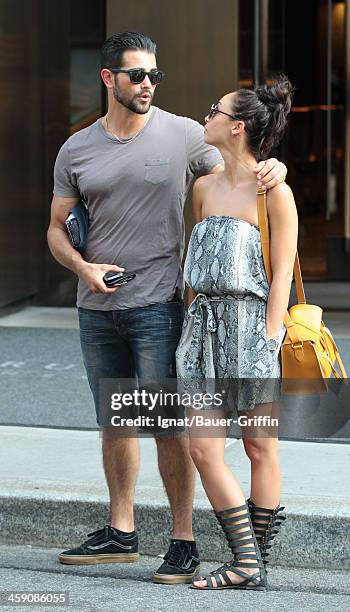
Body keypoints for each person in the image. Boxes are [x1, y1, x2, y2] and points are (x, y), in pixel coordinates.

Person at [47, 31, 288, 585]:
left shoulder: (183, 135)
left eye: (155, 74)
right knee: (117, 421)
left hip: (160, 306)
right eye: (137, 75)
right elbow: (57, 229)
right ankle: (121, 531)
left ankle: (184, 542)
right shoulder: (76, 148)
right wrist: (81, 269)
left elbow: (244, 162)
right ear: (109, 79)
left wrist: (277, 170)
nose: (149, 83)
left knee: (168, 428)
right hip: (96, 306)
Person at [175, 76, 297, 591]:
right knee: (203, 448)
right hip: (200, 331)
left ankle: (252, 562)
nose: (207, 117)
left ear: (237, 126)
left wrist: (267, 341)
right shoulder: (202, 187)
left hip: (252, 330)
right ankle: (249, 562)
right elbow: (193, 263)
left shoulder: (275, 192)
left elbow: (282, 277)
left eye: (214, 111)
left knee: (258, 447)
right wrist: (188, 325)